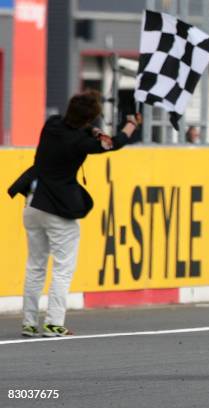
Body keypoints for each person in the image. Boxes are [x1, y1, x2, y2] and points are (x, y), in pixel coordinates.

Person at [7, 90, 142, 337]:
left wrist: (91, 129)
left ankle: (28, 322)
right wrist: (131, 125)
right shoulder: (80, 142)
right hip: (58, 208)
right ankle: (53, 322)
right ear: (89, 118)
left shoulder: (52, 124)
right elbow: (114, 143)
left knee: (35, 265)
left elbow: (78, 128)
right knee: (62, 267)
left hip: (33, 202)